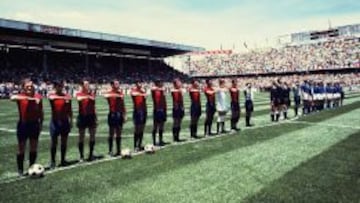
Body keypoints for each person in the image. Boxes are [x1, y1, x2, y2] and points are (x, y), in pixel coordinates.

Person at [10, 78, 43, 175]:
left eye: (31, 86)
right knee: (21, 148)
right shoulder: (21, 96)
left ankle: (31, 168)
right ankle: (20, 170)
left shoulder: (38, 97)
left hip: (34, 124)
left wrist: (41, 123)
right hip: (23, 125)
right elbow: (12, 98)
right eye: (27, 86)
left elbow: (41, 112)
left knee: (33, 147)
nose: (30, 87)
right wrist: (29, 98)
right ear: (23, 87)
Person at [48, 81, 73, 168]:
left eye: (61, 86)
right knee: (54, 142)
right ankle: (52, 161)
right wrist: (63, 97)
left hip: (65, 121)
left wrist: (71, 120)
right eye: (58, 86)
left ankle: (63, 160)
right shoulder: (52, 96)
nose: (60, 87)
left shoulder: (67, 96)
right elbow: (50, 97)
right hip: (55, 122)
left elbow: (70, 110)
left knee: (64, 142)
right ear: (55, 87)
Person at [76, 79, 97, 162]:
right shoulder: (79, 94)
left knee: (92, 136)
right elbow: (79, 99)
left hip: (91, 116)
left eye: (88, 84)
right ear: (82, 86)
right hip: (82, 116)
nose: (88, 86)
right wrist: (88, 96)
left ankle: (91, 154)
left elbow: (94, 106)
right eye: (86, 84)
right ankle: (81, 156)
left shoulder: (92, 94)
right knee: (81, 137)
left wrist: (96, 117)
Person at [104, 80, 126, 156]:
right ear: (112, 85)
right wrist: (114, 93)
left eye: (118, 83)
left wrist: (124, 115)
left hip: (119, 114)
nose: (118, 85)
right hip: (112, 114)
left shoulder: (121, 93)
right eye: (116, 84)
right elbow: (105, 96)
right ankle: (110, 150)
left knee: (119, 133)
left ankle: (118, 150)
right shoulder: (109, 93)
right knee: (111, 133)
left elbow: (123, 105)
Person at [131, 80, 147, 151]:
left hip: (143, 111)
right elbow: (133, 94)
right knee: (137, 128)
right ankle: (135, 146)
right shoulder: (134, 91)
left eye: (141, 83)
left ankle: (139, 145)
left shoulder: (143, 92)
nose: (140, 84)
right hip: (137, 111)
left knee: (142, 128)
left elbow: (145, 98)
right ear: (136, 84)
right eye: (139, 83)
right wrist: (142, 92)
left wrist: (143, 92)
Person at [151, 80, 167, 146]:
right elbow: (153, 88)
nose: (162, 84)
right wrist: (160, 88)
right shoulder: (155, 90)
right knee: (155, 126)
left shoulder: (162, 90)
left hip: (163, 109)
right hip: (157, 109)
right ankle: (154, 141)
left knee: (161, 126)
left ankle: (160, 140)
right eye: (161, 82)